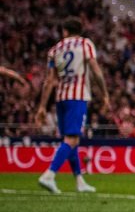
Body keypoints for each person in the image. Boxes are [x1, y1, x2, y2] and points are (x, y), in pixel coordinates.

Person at [33, 17, 109, 194]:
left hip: (61, 97)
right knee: (72, 139)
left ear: (64, 31)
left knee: (70, 139)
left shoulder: (55, 49)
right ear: (79, 31)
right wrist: (104, 93)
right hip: (78, 96)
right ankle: (49, 174)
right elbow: (95, 69)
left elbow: (49, 81)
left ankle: (79, 181)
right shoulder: (85, 44)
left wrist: (42, 106)